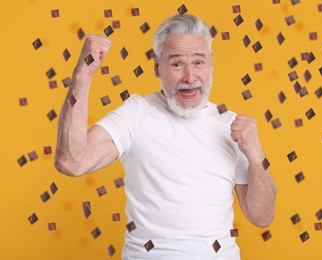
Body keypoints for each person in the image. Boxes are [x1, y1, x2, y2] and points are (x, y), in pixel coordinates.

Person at [55, 14, 276, 260]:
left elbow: (262, 216)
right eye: (177, 64)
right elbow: (72, 161)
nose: (190, 77)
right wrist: (82, 75)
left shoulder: (231, 125)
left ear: (211, 63)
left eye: (198, 62)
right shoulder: (137, 114)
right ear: (157, 66)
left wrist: (257, 158)